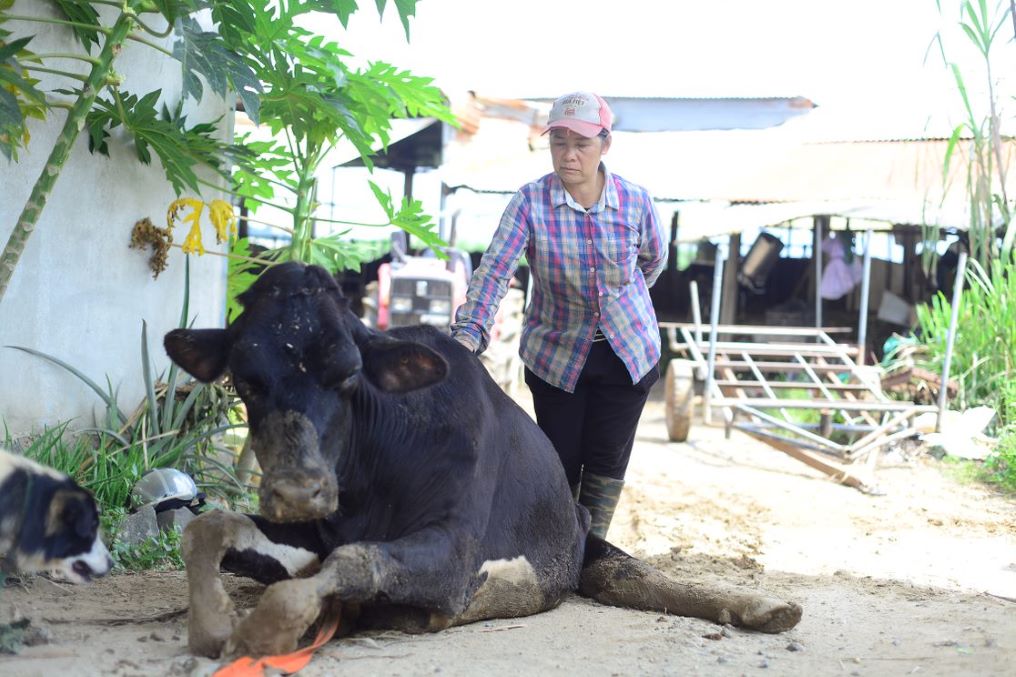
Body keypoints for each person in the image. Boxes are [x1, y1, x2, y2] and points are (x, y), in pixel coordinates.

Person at [451, 91, 667, 539]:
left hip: (626, 351)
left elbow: (653, 260)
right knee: (558, 459)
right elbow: (495, 271)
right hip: (557, 353)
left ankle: (592, 552)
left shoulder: (635, 202)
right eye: (559, 142)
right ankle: (562, 550)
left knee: (607, 459)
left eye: (581, 144)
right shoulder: (530, 203)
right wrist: (469, 334)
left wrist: (618, 305)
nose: (569, 156)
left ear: (605, 145)